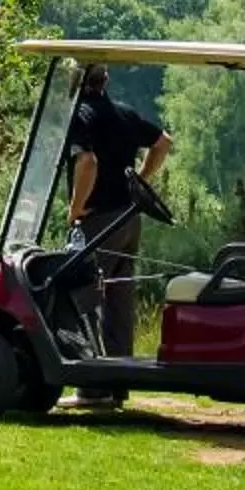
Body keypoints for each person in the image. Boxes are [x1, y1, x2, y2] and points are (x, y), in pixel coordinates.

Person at [65, 63, 171, 360]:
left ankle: (90, 374)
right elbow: (163, 143)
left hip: (98, 221)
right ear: (106, 80)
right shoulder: (124, 113)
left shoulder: (81, 114)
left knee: (83, 295)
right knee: (119, 298)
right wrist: (140, 180)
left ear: (77, 80)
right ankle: (120, 372)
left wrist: (75, 208)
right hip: (128, 218)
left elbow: (88, 163)